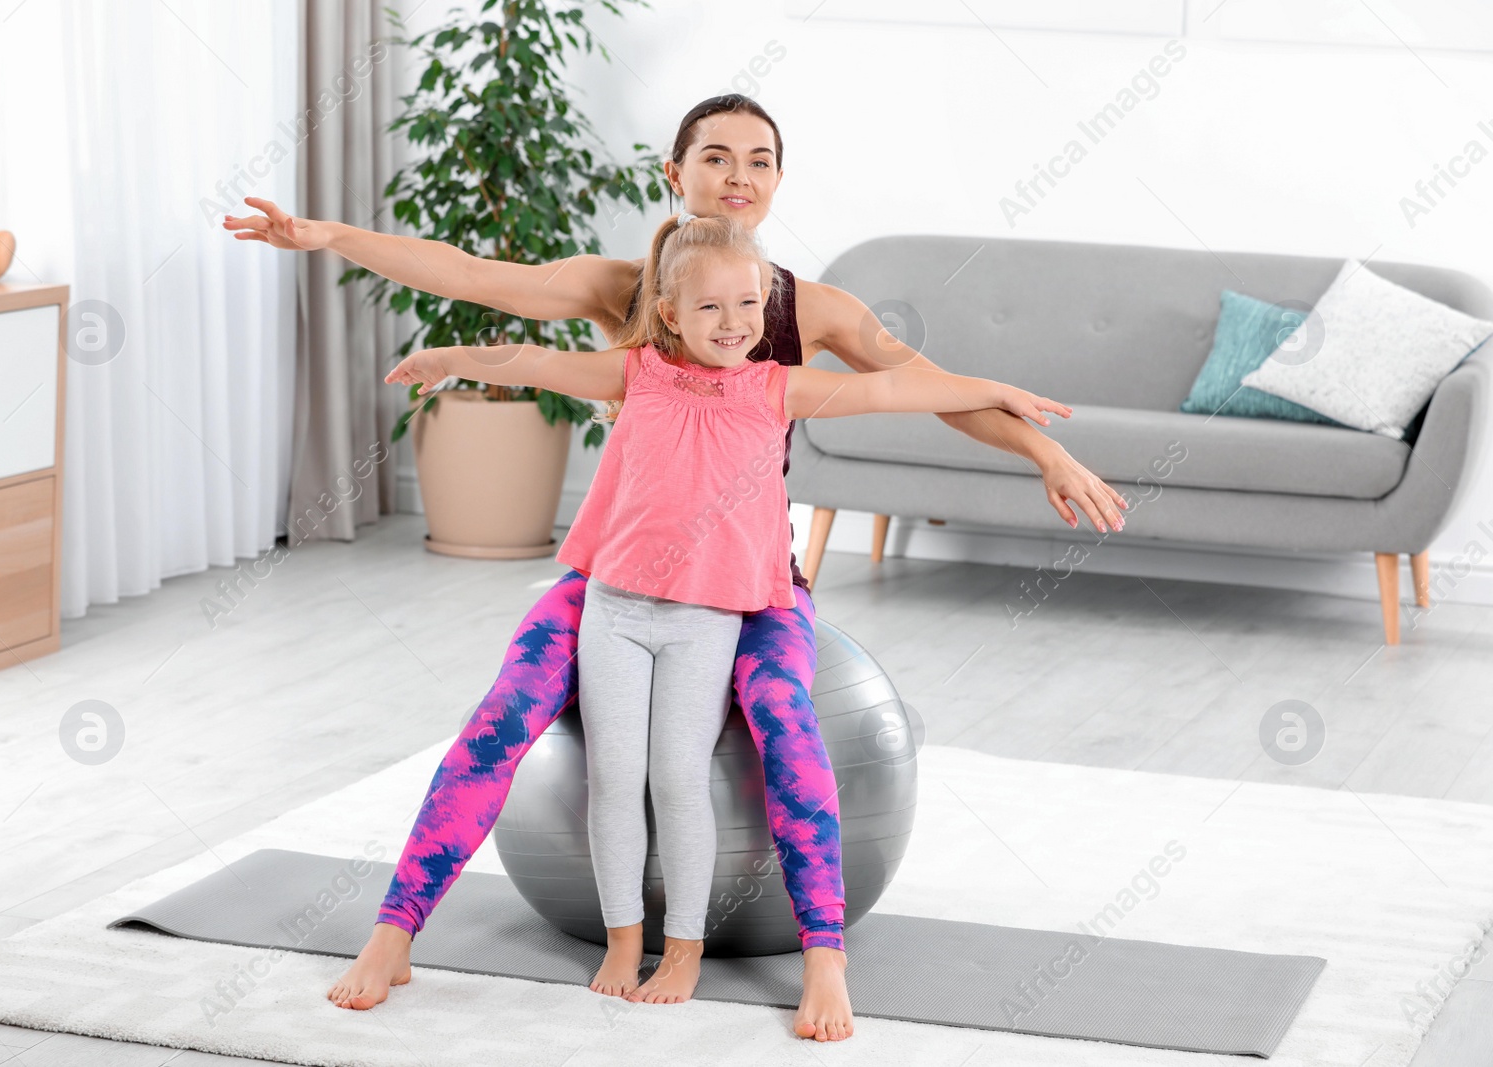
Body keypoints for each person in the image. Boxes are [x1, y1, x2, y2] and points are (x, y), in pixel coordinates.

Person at [222, 93, 1128, 1043]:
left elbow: (928, 390)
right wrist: (327, 235)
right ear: (675, 172)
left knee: (783, 712)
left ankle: (824, 955)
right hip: (618, 576)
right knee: (504, 710)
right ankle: (394, 931)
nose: (739, 176)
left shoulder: (809, 312)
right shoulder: (627, 289)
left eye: (761, 160)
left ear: (778, 181)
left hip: (748, 583)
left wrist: (1046, 454)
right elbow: (474, 274)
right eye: (718, 157)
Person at [380, 208, 1070, 1007]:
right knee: (612, 777)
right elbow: (533, 360)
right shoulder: (635, 371)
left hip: (706, 618)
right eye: (709, 308)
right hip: (612, 607)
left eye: (748, 306)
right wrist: (447, 357)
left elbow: (889, 388)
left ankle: (683, 950)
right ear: (670, 313)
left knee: (677, 778)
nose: (733, 323)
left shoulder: (778, 388)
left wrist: (995, 390)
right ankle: (622, 940)